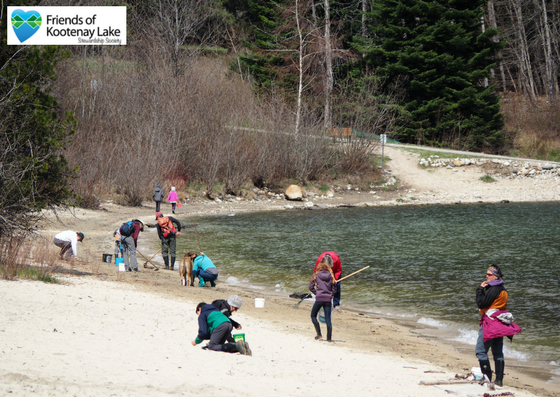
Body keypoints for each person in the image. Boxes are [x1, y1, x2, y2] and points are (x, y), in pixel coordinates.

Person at [475, 265, 521, 386]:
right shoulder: (503, 290)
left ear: (496, 276)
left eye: (489, 274)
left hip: (490, 323)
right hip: (500, 323)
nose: (487, 276)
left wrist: (479, 289)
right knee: (498, 352)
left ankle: (487, 378)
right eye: (486, 274)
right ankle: (499, 380)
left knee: (480, 351)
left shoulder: (494, 289)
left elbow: (481, 302)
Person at [309, 259, 338, 342]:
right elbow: (335, 289)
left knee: (313, 315)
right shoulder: (331, 275)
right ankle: (329, 338)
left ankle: (319, 334)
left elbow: (310, 287)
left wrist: (317, 293)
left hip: (319, 299)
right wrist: (330, 295)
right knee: (328, 319)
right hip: (328, 299)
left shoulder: (316, 275)